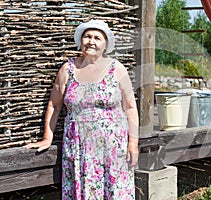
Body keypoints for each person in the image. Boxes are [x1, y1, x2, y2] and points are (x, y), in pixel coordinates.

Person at [25, 19, 139, 199]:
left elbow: (131, 108)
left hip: (113, 146)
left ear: (105, 44)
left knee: (116, 191)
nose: (91, 41)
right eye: (87, 36)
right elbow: (55, 105)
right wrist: (48, 137)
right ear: (80, 41)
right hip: (79, 147)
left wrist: (133, 143)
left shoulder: (117, 69)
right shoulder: (67, 69)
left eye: (97, 38)